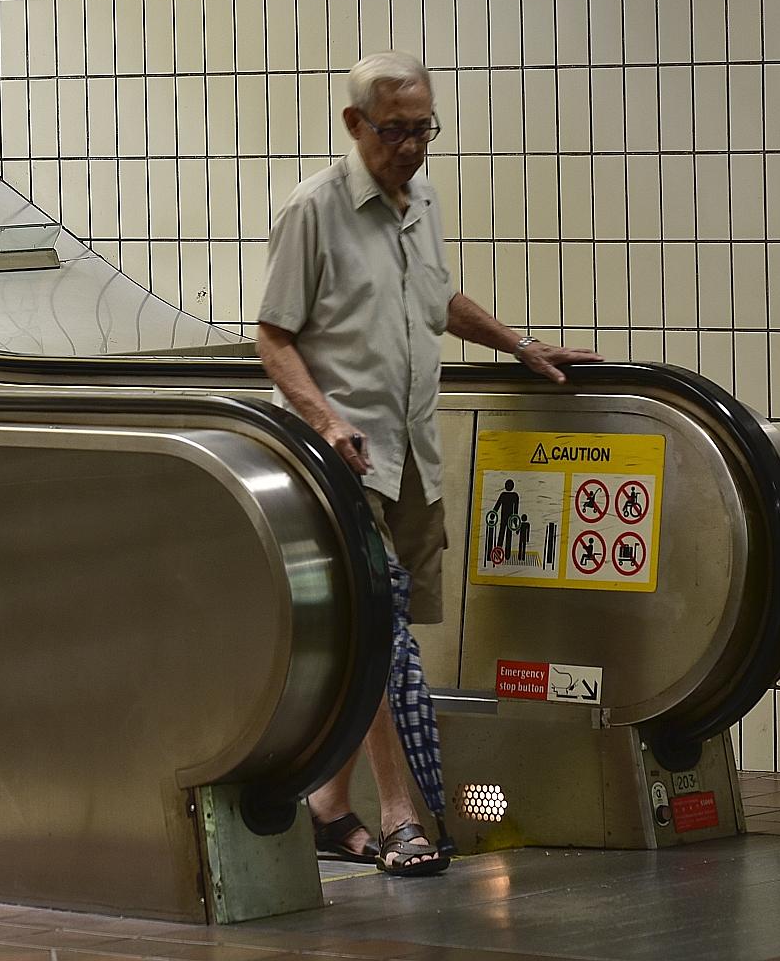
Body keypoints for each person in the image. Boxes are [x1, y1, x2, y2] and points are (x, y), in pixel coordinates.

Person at [256, 50, 603, 876]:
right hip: (348, 464)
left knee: (389, 641)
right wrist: (325, 420)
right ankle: (403, 816)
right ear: (355, 125)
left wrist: (518, 343)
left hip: (416, 457)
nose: (411, 148)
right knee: (376, 639)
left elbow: (436, 299)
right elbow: (273, 335)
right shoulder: (315, 210)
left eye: (423, 130)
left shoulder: (423, 202)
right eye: (395, 132)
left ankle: (329, 807)